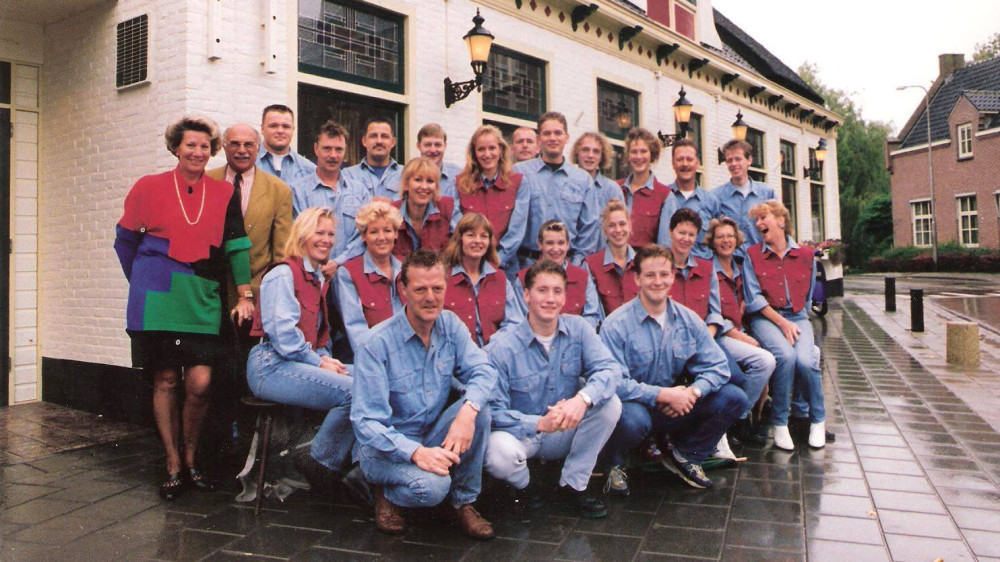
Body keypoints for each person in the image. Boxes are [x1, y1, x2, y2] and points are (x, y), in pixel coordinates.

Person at [114, 116, 254, 500]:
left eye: (205, 146)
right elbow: (125, 241)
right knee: (165, 380)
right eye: (190, 145)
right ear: (176, 147)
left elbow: (237, 246)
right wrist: (142, 281)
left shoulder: (224, 194)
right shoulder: (149, 186)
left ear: (212, 151)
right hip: (156, 295)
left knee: (200, 383)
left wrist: (245, 294)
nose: (197, 151)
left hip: (202, 295)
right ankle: (174, 464)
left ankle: (192, 458)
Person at [351, 249, 497, 539]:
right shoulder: (375, 344)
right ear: (402, 289)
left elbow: (484, 371)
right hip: (386, 450)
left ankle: (463, 501)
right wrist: (416, 453)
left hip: (430, 435)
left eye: (437, 288)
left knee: (479, 411)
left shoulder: (450, 324)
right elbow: (367, 423)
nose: (430, 297)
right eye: (420, 289)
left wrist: (467, 412)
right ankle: (386, 493)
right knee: (432, 488)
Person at [599, 245, 748, 491]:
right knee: (631, 419)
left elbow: (718, 367)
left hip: (674, 408)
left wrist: (692, 393)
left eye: (664, 274)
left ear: (672, 277)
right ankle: (614, 462)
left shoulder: (688, 319)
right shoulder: (615, 325)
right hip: (634, 408)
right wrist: (662, 394)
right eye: (650, 275)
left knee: (734, 397)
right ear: (637, 278)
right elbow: (613, 383)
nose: (658, 281)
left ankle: (685, 455)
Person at [485, 260, 622, 519]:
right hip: (524, 435)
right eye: (542, 290)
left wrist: (581, 399)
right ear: (526, 295)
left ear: (565, 296)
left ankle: (573, 484)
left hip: (565, 427)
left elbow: (610, 370)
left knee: (610, 403)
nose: (550, 299)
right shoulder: (502, 347)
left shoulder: (579, 329)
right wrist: (539, 423)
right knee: (497, 451)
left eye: (557, 291)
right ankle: (524, 487)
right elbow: (493, 412)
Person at [246, 207, 355, 490]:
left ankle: (349, 463)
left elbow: (316, 339)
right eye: (319, 232)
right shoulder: (284, 273)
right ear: (303, 235)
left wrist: (324, 359)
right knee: (354, 391)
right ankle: (317, 461)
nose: (327, 240)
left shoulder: (316, 278)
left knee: (371, 379)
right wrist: (319, 363)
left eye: (331, 234)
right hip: (269, 365)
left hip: (296, 362)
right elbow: (284, 337)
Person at [742, 200, 826, 451]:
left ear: (781, 220)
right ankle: (780, 422)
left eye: (763, 217)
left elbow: (809, 295)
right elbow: (753, 298)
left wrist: (796, 319)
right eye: (756, 220)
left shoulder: (806, 255)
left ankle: (818, 420)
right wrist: (781, 322)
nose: (758, 224)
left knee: (806, 359)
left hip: (798, 317)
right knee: (786, 357)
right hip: (766, 317)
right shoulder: (752, 255)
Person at [706, 217, 775, 446]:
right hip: (721, 334)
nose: (726, 240)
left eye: (730, 236)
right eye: (720, 237)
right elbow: (711, 312)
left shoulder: (739, 266)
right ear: (712, 242)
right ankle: (739, 418)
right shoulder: (708, 269)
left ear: (737, 240)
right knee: (763, 361)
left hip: (741, 327)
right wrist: (739, 335)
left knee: (774, 354)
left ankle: (746, 417)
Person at [208, 124, 292, 311]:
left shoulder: (278, 190)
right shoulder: (206, 181)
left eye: (248, 145)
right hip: (211, 292)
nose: (242, 150)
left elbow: (281, 253)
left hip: (256, 295)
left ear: (258, 148)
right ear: (224, 147)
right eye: (235, 144)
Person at [515, 112, 601, 268]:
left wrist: (575, 265)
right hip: (525, 265)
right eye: (547, 133)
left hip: (567, 266)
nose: (552, 138)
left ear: (566, 137)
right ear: (539, 139)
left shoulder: (582, 180)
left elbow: (589, 230)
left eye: (558, 133)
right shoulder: (519, 174)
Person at [441, 212, 524, 346]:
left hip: (493, 356)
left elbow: (514, 323)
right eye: (471, 235)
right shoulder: (443, 278)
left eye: (484, 236)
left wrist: (490, 350)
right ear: (460, 239)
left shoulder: (500, 279)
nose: (478, 241)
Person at [455, 125, 528, 273]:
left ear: (501, 150)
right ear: (474, 153)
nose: (487, 154)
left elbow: (517, 231)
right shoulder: (460, 183)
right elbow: (455, 225)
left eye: (492, 148)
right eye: (481, 149)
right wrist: (474, 260)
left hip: (505, 267)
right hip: (468, 266)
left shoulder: (518, 182)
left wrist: (497, 260)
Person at [335, 201, 404, 353]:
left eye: (387, 230)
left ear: (396, 233)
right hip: (374, 356)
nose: (381, 237)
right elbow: (356, 329)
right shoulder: (348, 273)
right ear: (363, 236)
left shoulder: (408, 268)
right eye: (374, 232)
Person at [513, 220, 602, 329]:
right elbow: (520, 322)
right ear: (540, 244)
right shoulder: (523, 280)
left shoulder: (583, 278)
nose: (556, 249)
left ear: (568, 245)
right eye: (550, 243)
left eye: (561, 243)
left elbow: (592, 316)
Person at [657, 138, 719, 259]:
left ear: (697, 163)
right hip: (669, 270)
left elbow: (717, 242)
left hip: (701, 271)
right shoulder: (662, 196)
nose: (685, 164)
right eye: (679, 159)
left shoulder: (711, 201)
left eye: (689, 159)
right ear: (673, 164)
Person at [392, 157, 460, 261]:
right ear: (405, 184)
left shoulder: (448, 209)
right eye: (418, 180)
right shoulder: (391, 212)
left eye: (430, 181)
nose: (424, 186)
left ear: (436, 186)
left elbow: (462, 244)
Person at [713, 139, 775, 250]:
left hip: (760, 260)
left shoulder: (766, 193)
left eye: (738, 159)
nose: (733, 164)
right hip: (731, 262)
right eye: (729, 160)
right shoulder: (716, 197)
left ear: (749, 160)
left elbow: (778, 228)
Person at [617, 127, 671, 249]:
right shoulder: (615, 189)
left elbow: (664, 246)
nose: (638, 156)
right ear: (628, 156)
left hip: (646, 264)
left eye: (643, 151)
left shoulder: (665, 195)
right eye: (634, 152)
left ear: (652, 154)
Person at [584, 199, 638, 317]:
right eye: (612, 225)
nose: (618, 230)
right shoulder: (591, 265)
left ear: (630, 226)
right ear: (604, 230)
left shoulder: (642, 263)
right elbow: (594, 312)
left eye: (622, 224)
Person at [341, 116, 402, 200]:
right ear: (364, 141)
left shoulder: (406, 175)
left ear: (392, 142)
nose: (379, 141)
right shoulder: (347, 176)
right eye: (373, 136)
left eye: (384, 136)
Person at [256, 104, 317, 185]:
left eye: (286, 126)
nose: (280, 131)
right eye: (273, 126)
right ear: (262, 129)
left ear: (293, 130)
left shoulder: (309, 170)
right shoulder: (249, 164)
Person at [572, 131, 623, 220]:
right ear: (577, 153)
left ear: (602, 157)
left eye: (596, 151)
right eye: (585, 150)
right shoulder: (567, 185)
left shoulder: (612, 190)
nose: (590, 155)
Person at [416, 123, 462, 199]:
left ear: (445, 146)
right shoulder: (409, 175)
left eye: (438, 145)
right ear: (418, 146)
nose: (433, 150)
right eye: (427, 145)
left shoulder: (459, 175)